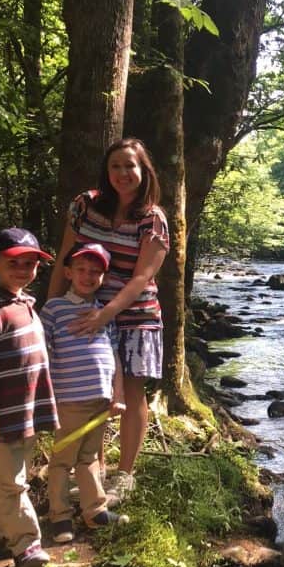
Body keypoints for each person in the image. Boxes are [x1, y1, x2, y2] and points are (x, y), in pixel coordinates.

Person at [48, 138, 168, 504]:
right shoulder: (84, 206)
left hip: (134, 318)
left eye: (130, 166)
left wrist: (105, 315)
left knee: (130, 394)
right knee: (90, 393)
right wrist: (51, 309)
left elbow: (141, 278)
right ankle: (92, 469)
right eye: (116, 166)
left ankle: (124, 475)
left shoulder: (153, 219)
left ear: (144, 171)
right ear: (107, 170)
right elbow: (63, 258)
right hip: (83, 312)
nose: (122, 174)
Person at [0, 227, 58, 567]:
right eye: (14, 262)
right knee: (11, 482)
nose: (23, 269)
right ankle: (26, 544)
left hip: (27, 412)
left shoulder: (28, 305)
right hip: (3, 413)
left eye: (31, 263)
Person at [41, 242, 130, 541]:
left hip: (100, 399)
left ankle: (94, 511)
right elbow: (45, 353)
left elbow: (114, 354)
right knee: (63, 460)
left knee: (90, 457)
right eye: (81, 269)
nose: (88, 276)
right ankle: (60, 517)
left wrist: (118, 394)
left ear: (103, 277)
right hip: (68, 398)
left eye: (96, 271)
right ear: (67, 272)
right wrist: (46, 395)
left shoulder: (104, 312)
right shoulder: (54, 308)